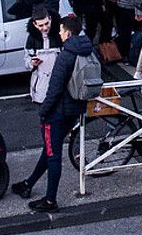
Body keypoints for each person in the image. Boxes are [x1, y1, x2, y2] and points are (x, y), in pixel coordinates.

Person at [12, 15, 93, 211]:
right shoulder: (88, 50)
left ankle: (50, 200)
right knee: (51, 148)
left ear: (67, 32)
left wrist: (44, 111)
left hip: (57, 111)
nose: (58, 32)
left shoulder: (66, 54)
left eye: (61, 30)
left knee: (53, 154)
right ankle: (28, 184)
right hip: (75, 108)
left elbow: (55, 88)